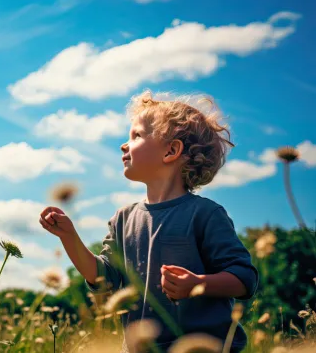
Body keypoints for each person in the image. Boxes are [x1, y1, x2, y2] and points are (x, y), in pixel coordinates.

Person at [39, 90, 258, 352]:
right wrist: (68, 236)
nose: (124, 145)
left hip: (203, 348)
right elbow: (103, 279)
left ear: (171, 151)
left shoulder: (205, 214)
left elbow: (244, 278)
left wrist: (198, 284)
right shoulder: (123, 218)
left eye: (136, 136)